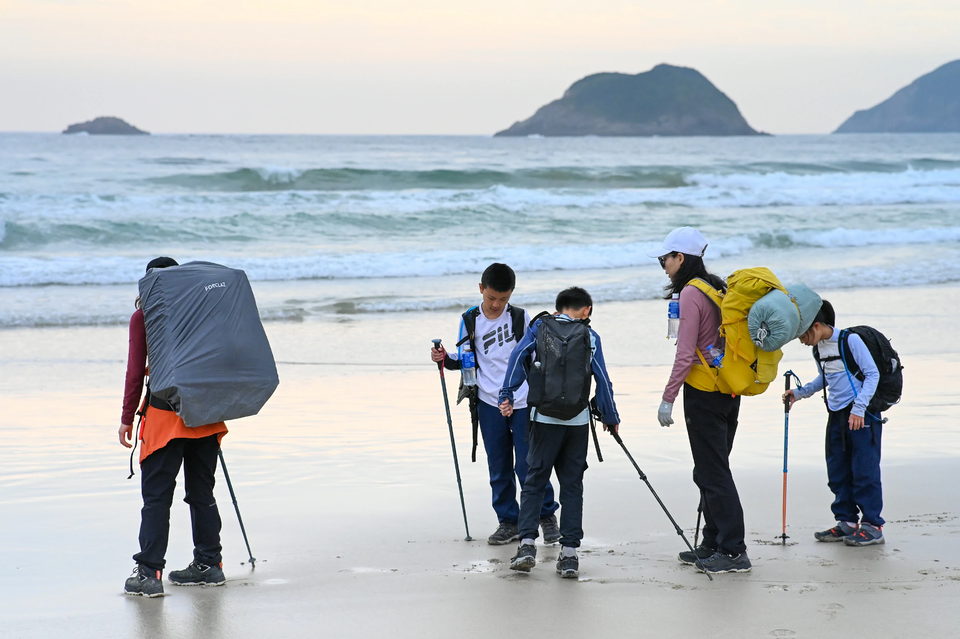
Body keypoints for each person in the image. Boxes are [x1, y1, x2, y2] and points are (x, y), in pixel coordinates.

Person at [120, 257, 229, 597]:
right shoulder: (201, 313)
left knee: (156, 499)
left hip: (165, 419)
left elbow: (136, 372)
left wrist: (126, 416)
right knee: (202, 494)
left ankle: (149, 573)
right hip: (205, 413)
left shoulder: (144, 317)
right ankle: (210, 565)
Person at [430, 263, 560, 545]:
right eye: (491, 298)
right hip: (488, 402)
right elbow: (465, 360)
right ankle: (509, 521)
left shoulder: (520, 317)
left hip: (522, 400)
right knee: (499, 465)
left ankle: (546, 516)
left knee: (530, 464)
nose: (496, 305)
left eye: (503, 299)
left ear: (511, 294)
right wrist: (444, 358)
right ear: (481, 289)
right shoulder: (470, 320)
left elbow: (537, 356)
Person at [649, 227, 751, 574]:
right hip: (728, 389)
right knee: (710, 469)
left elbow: (685, 352)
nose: (663, 265)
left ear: (681, 258)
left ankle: (734, 551)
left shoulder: (692, 293)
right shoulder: (717, 286)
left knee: (713, 472)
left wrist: (668, 398)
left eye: (666, 259)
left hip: (704, 393)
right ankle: (713, 542)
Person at [499, 287, 620, 578]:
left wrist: (507, 393)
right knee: (572, 486)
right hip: (577, 425)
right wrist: (610, 415)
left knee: (534, 482)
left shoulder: (540, 327)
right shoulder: (590, 337)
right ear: (586, 309)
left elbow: (517, 357)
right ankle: (568, 555)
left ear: (558, 308)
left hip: (543, 420)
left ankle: (527, 545)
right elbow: (602, 378)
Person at [783, 300, 885, 546]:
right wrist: (799, 393)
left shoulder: (849, 341)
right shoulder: (818, 349)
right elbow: (824, 378)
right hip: (837, 414)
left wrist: (859, 409)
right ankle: (847, 523)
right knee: (837, 470)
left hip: (862, 413)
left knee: (864, 470)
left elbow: (873, 374)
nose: (801, 340)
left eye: (803, 334)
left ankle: (872, 526)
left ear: (816, 326)